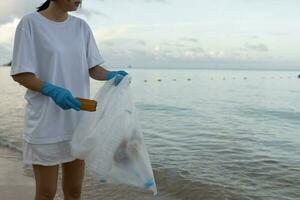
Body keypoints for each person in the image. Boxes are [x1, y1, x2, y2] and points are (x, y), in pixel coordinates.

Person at [10, 0, 128, 199]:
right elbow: (20, 73)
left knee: (74, 192)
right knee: (46, 193)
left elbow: (93, 68)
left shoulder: (81, 27)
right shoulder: (30, 23)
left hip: (77, 123)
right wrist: (51, 90)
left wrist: (110, 75)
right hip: (45, 123)